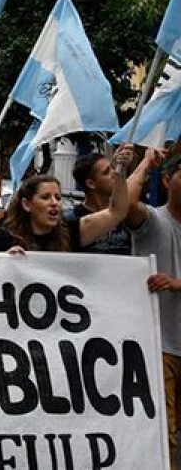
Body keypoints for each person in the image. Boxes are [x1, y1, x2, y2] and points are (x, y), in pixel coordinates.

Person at [123, 149, 181, 468]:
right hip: (161, 347)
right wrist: (145, 163)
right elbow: (124, 204)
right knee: (164, 433)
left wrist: (175, 283)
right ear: (168, 180)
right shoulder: (153, 221)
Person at [0, 173, 129, 253]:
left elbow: (117, 212)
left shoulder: (70, 231)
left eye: (58, 197)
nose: (54, 203)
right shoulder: (3, 239)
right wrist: (6, 261)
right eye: (45, 197)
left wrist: (120, 170)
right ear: (27, 204)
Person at [68, 147, 134, 255]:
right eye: (106, 172)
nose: (114, 173)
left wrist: (121, 165)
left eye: (113, 168)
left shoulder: (126, 212)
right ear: (91, 183)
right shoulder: (75, 220)